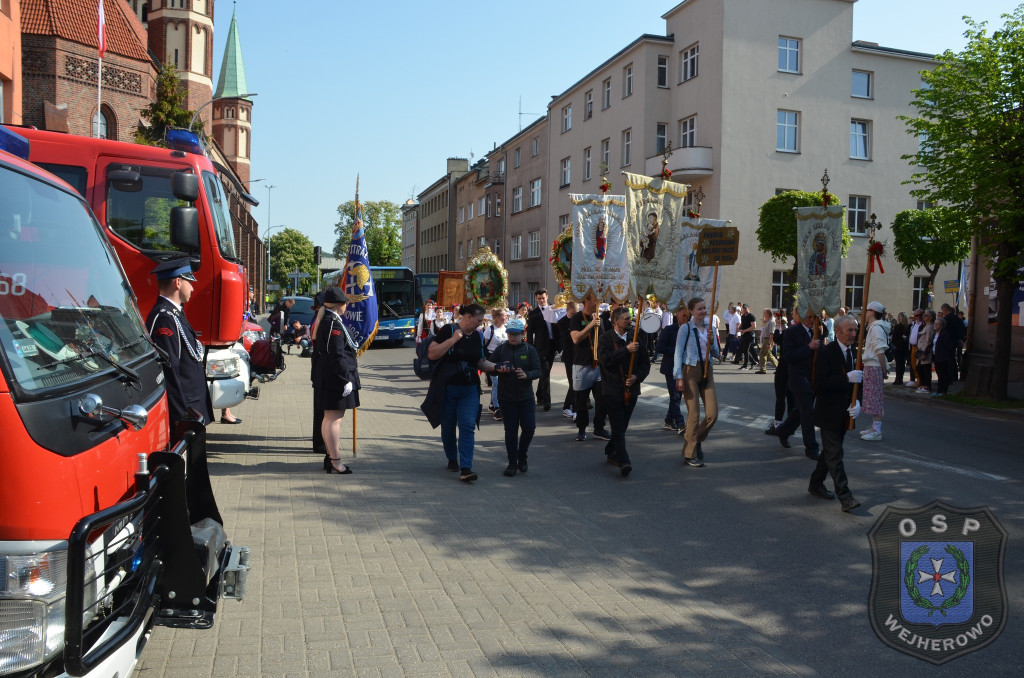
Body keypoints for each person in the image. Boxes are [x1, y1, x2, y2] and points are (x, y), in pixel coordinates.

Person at [423, 304, 506, 482]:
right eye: (477, 321)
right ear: (468, 317)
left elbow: (480, 362)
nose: (479, 324)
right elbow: (432, 354)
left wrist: (495, 367)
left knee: (468, 426)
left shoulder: (477, 336)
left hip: (469, 389)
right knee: (448, 425)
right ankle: (452, 458)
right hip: (448, 388)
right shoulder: (448, 329)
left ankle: (466, 467)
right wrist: (453, 339)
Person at [146, 258, 214, 430]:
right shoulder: (164, 318)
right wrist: (180, 417)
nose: (192, 287)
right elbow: (169, 370)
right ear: (178, 282)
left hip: (192, 405)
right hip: (185, 407)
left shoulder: (175, 314)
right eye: (189, 282)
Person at [808, 314, 862, 512]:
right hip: (829, 413)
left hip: (845, 413)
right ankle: (845, 497)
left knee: (829, 453)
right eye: (850, 330)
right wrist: (845, 378)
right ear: (838, 331)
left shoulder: (854, 353)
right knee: (835, 454)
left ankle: (815, 483)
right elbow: (820, 384)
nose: (853, 334)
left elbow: (859, 382)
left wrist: (858, 403)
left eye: (855, 330)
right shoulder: (826, 352)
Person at [312, 287, 360, 475]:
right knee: (334, 419)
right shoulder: (333, 324)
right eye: (345, 302)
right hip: (334, 377)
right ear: (340, 305)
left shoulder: (329, 320)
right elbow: (337, 354)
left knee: (329, 418)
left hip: (328, 376)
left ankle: (331, 457)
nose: (347, 305)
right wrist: (345, 379)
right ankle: (335, 460)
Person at [598, 306, 651, 476]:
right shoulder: (606, 339)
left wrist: (636, 377)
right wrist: (625, 350)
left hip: (631, 391)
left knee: (623, 425)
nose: (630, 321)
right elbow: (605, 361)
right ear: (616, 321)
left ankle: (611, 449)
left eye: (630, 318)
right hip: (612, 390)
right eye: (626, 319)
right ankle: (624, 462)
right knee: (618, 427)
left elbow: (645, 364)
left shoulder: (635, 338)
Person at [768, 309, 822, 460]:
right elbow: (788, 356)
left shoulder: (818, 331)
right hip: (798, 378)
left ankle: (784, 431)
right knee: (807, 413)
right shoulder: (792, 332)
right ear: (803, 317)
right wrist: (808, 347)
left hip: (813, 378)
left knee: (801, 411)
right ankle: (811, 448)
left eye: (814, 317)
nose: (812, 320)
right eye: (809, 317)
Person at [491, 318, 541, 476]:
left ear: (522, 334)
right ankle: (512, 463)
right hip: (506, 398)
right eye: (510, 334)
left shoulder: (529, 350)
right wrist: (499, 369)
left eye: (516, 334)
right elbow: (490, 368)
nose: (513, 337)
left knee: (529, 428)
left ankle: (522, 455)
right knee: (511, 431)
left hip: (526, 397)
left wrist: (527, 375)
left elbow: (538, 371)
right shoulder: (501, 349)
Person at [674, 297, 720, 467]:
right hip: (690, 371)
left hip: (707, 370)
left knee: (713, 414)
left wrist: (712, 340)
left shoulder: (710, 327)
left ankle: (695, 440)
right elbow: (678, 352)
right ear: (691, 311)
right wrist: (678, 376)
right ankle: (690, 453)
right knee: (694, 413)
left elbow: (715, 353)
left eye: (704, 308)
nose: (703, 311)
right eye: (699, 309)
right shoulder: (685, 329)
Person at [570, 292, 610, 442]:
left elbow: (604, 340)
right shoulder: (576, 318)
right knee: (581, 401)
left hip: (598, 366)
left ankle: (599, 428)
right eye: (595, 300)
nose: (597, 304)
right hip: (582, 365)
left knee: (602, 399)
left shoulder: (600, 319)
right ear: (586, 301)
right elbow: (575, 339)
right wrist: (591, 325)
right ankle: (581, 429)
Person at [859, 301, 891, 442]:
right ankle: (874, 426)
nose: (864, 313)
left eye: (867, 310)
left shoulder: (877, 328)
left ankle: (877, 430)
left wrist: (883, 368)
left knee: (875, 399)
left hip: (874, 366)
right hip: (871, 366)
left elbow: (880, 350)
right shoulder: (873, 327)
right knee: (872, 398)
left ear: (872, 312)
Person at [656, 302, 690, 432]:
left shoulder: (689, 330)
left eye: (688, 316)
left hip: (684, 368)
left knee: (676, 397)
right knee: (675, 396)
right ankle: (681, 424)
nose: (686, 318)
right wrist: (676, 350)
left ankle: (669, 421)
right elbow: (659, 347)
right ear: (677, 315)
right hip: (671, 368)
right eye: (683, 315)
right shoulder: (670, 330)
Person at [526, 289, 557, 411]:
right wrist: (530, 348)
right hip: (540, 347)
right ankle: (546, 401)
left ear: (547, 297)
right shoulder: (533, 314)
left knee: (546, 373)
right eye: (539, 298)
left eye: (543, 298)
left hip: (553, 346)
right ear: (536, 299)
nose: (542, 300)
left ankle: (539, 394)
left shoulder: (554, 310)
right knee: (545, 372)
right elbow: (529, 332)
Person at [482, 307, 509, 419]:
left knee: (502, 383)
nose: (506, 317)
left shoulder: (506, 328)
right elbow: (484, 346)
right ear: (498, 318)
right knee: (496, 383)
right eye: (504, 315)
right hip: (492, 358)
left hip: (504, 358)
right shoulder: (490, 329)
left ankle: (492, 404)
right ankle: (497, 408)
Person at [555, 301, 578, 420]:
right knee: (572, 382)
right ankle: (573, 409)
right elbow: (569, 338)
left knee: (575, 382)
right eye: (572, 313)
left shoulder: (579, 319)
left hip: (579, 355)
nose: (575, 315)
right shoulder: (561, 322)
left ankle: (566, 407)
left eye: (576, 313)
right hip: (569, 355)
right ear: (567, 311)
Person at [940, 303, 965, 380]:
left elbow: (945, 330)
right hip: (955, 341)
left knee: (949, 359)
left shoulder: (947, 319)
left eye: (942, 311)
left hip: (948, 341)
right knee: (952, 359)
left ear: (944, 310)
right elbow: (962, 328)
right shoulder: (956, 318)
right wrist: (960, 338)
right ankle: (954, 376)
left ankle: (950, 376)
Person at [915, 309, 936, 394]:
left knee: (925, 369)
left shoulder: (930, 327)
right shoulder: (925, 326)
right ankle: (923, 385)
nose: (923, 316)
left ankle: (926, 386)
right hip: (920, 350)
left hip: (925, 351)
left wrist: (924, 352)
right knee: (919, 368)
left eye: (926, 315)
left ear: (930, 318)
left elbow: (929, 340)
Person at [933, 317, 955, 396]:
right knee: (939, 375)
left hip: (943, 357)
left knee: (943, 375)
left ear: (941, 325)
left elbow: (946, 347)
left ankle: (943, 391)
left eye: (937, 324)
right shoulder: (935, 334)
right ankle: (939, 390)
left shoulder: (944, 334)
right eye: (934, 323)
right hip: (936, 357)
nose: (935, 325)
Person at [890, 312, 911, 385]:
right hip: (905, 347)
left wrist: (895, 344)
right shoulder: (908, 326)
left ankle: (897, 379)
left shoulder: (898, 326)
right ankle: (900, 379)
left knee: (898, 364)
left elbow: (894, 338)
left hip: (898, 347)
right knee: (902, 364)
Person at [755, 307, 778, 373]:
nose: (763, 314)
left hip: (768, 339)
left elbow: (771, 333)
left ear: (768, 314)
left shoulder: (771, 322)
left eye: (764, 313)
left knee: (763, 354)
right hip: (766, 339)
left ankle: (763, 369)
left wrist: (769, 343)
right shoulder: (769, 321)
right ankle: (779, 368)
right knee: (768, 355)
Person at [736, 303, 757, 369]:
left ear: (748, 308)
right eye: (743, 309)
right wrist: (738, 328)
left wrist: (744, 330)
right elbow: (742, 324)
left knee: (746, 350)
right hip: (744, 335)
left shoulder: (751, 316)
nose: (745, 310)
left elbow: (754, 327)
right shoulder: (743, 316)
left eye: (746, 308)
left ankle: (745, 365)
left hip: (749, 335)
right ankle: (753, 362)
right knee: (745, 350)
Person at [906, 309, 923, 387]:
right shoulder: (914, 324)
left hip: (919, 347)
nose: (918, 317)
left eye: (920, 315)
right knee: (913, 365)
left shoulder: (923, 324)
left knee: (919, 365)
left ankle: (920, 381)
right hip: (912, 347)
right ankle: (914, 379)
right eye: (917, 315)